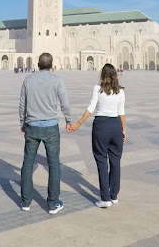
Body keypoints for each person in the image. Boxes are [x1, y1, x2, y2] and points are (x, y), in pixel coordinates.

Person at [19, 52, 73, 215]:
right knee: (54, 164)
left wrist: (23, 122)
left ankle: (25, 202)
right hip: (50, 128)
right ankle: (52, 203)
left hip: (32, 126)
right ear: (51, 65)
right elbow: (65, 103)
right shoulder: (57, 80)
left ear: (38, 64)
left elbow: (22, 104)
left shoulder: (28, 80)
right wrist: (69, 121)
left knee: (28, 163)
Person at [68, 63, 126, 208]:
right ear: (115, 75)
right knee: (115, 161)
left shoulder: (97, 89)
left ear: (102, 75)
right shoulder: (120, 91)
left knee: (101, 160)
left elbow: (91, 108)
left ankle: (105, 198)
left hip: (101, 126)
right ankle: (114, 196)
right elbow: (121, 112)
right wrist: (123, 129)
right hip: (116, 127)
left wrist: (78, 123)